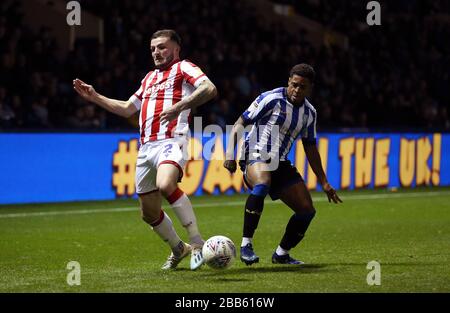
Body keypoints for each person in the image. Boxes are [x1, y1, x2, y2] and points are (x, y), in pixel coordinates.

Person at [73, 29, 217, 270]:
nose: (156, 52)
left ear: (176, 49)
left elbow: (209, 88)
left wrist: (178, 106)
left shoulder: (184, 68)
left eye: (162, 47)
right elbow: (129, 108)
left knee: (165, 183)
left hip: (172, 140)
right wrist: (95, 96)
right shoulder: (149, 78)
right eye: (152, 49)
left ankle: (198, 243)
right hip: (146, 148)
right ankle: (179, 248)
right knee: (149, 214)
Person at [224, 63, 342, 265]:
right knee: (262, 183)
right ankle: (246, 244)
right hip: (254, 154)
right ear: (289, 81)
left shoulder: (309, 113)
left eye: (302, 87)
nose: (297, 90)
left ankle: (281, 254)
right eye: (294, 84)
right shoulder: (270, 98)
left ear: (310, 88)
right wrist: (229, 154)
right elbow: (241, 122)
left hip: (280, 162)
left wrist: (324, 182)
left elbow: (310, 148)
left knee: (307, 211)